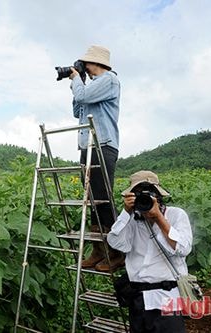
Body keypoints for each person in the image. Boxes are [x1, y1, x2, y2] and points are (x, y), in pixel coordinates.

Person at [107, 170, 192, 333]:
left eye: (149, 193)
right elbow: (116, 243)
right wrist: (126, 213)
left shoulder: (176, 215)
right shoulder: (131, 219)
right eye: (138, 194)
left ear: (158, 196)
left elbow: (182, 248)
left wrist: (159, 218)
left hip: (167, 299)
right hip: (138, 300)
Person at [69, 45, 123, 272]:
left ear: (95, 63)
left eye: (86, 64)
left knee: (102, 198)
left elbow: (82, 95)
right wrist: (78, 82)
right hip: (87, 146)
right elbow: (77, 109)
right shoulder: (90, 86)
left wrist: (76, 81)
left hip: (103, 145)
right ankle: (98, 250)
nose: (84, 67)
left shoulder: (109, 80)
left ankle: (117, 252)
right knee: (92, 201)